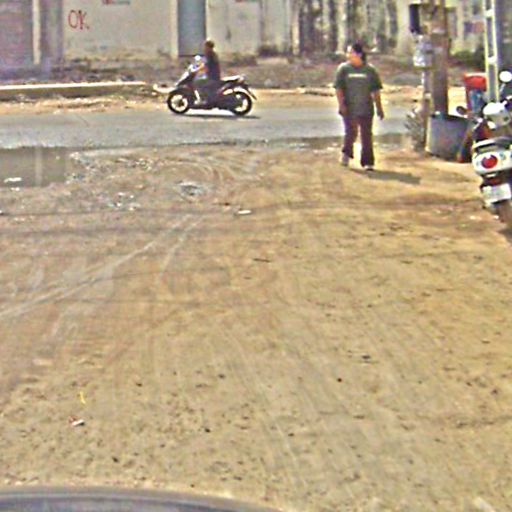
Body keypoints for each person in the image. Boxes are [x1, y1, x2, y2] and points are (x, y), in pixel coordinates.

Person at [334, 43, 385, 171]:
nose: (348, 55)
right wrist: (341, 105)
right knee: (351, 132)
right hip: (349, 108)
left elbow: (375, 91)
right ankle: (346, 154)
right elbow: (339, 89)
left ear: (359, 54)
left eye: (351, 52)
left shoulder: (370, 70)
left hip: (366, 108)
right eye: (348, 52)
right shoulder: (344, 69)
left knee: (366, 135)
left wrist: (379, 108)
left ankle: (368, 162)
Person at [195, 39, 222, 105]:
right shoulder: (212, 54)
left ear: (208, 47)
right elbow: (205, 64)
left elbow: (206, 66)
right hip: (213, 76)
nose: (204, 48)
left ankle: (203, 99)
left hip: (213, 77)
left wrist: (197, 70)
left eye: (205, 46)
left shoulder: (210, 55)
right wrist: (199, 67)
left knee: (197, 82)